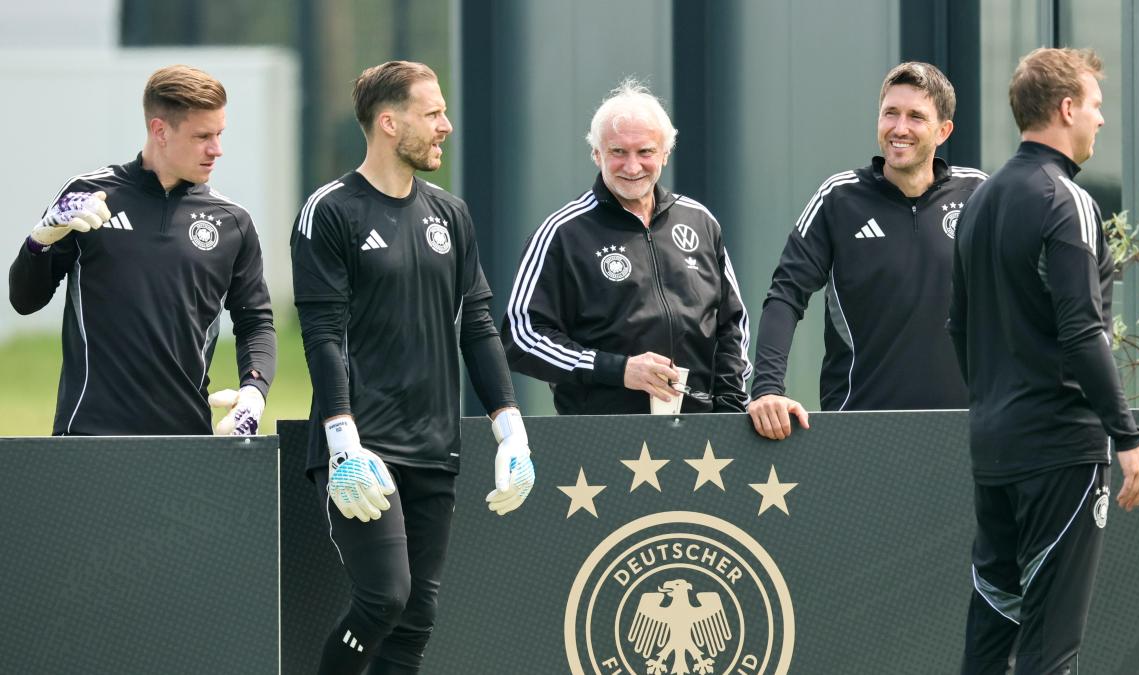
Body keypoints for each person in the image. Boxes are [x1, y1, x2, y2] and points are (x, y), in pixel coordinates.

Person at [290, 60, 536, 674]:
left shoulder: (451, 214)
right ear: (389, 123)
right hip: (363, 449)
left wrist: (511, 429)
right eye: (433, 114)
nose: (446, 126)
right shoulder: (330, 210)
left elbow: (478, 327)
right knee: (384, 598)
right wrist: (342, 441)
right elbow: (322, 335)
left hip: (435, 445)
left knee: (416, 619)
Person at [947, 47, 1139, 673]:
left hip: (994, 448)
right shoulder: (1066, 199)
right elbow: (1083, 331)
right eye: (1095, 105)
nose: (1101, 119)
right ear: (1066, 109)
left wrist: (995, 404)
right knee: (1050, 648)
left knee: (991, 635)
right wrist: (1127, 436)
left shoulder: (977, 202)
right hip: (1060, 450)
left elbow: (958, 327)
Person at [7, 64, 275, 436]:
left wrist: (254, 391)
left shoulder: (233, 222)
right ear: (160, 130)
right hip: (86, 437)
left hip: (188, 440)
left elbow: (255, 322)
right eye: (202, 136)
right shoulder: (87, 197)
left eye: (219, 134)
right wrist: (40, 241)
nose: (217, 149)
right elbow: (24, 300)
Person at [748, 62, 986, 439]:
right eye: (890, 113)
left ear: (944, 131)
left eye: (916, 117)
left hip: (965, 428)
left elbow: (1023, 293)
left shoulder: (978, 194)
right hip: (859, 430)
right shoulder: (839, 198)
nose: (899, 128)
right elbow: (785, 295)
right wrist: (766, 389)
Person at [502, 78, 751, 414]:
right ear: (596, 154)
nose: (632, 167)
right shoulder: (562, 233)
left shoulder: (699, 221)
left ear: (665, 154)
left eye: (645, 152)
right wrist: (619, 370)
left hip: (701, 431)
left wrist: (729, 409)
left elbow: (732, 324)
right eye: (618, 152)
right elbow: (522, 338)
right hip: (603, 432)